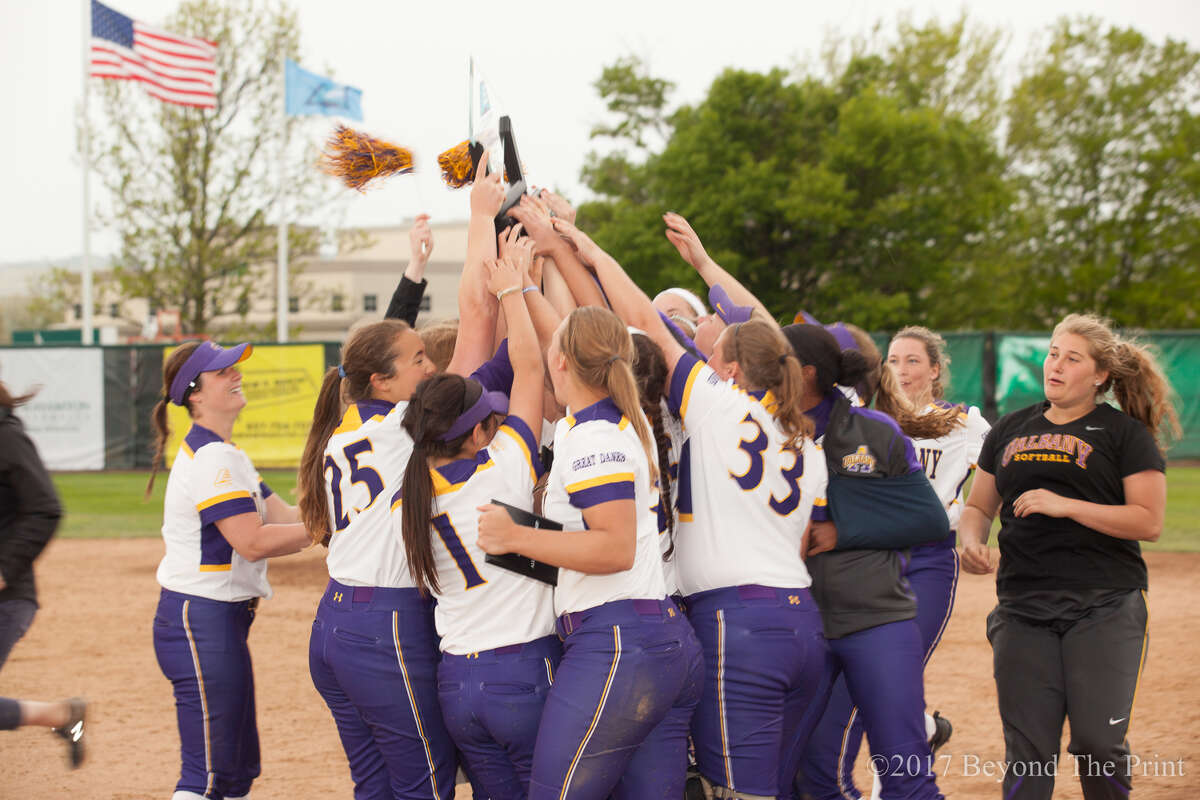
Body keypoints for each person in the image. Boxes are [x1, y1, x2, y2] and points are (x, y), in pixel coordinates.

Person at [554, 217, 833, 800]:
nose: (700, 350)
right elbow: (813, 537)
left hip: (737, 622)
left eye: (712, 348)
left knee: (734, 792)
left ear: (729, 371)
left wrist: (588, 250)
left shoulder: (717, 406)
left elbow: (646, 325)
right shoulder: (805, 440)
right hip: (803, 618)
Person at [476, 305, 704, 799]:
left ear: (560, 362)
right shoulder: (615, 421)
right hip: (649, 634)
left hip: (619, 642)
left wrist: (514, 537)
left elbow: (613, 548)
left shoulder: (595, 435)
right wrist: (519, 291)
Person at [959, 313, 1178, 800]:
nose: (1055, 365)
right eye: (1053, 353)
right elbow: (978, 506)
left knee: (1100, 744)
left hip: (1105, 605)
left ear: (1100, 375)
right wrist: (971, 540)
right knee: (1028, 753)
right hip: (1022, 607)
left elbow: (1148, 520)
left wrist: (1066, 506)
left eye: (1072, 358)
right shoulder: (1011, 429)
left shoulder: (1123, 435)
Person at [398, 255, 558, 799]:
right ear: (472, 437)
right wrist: (513, 290)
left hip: (457, 682)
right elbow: (531, 369)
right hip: (522, 671)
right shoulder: (503, 468)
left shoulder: (411, 495)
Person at [783, 323, 949, 800]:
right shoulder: (761, 429)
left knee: (907, 775)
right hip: (803, 625)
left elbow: (929, 521)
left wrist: (842, 529)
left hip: (876, 619)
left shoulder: (872, 431)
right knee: (808, 776)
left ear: (805, 373)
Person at [298, 319, 455, 800]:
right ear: (380, 382)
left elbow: (375, 353)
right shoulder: (401, 427)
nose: (430, 368)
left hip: (334, 624)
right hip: (383, 627)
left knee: (375, 784)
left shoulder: (345, 428)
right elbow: (475, 366)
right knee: (425, 780)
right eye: (418, 360)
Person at [148, 340, 311, 800]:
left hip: (218, 621)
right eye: (223, 371)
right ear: (195, 393)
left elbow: (284, 515)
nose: (236, 373)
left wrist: (344, 513)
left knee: (236, 771)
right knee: (206, 777)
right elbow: (254, 542)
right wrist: (324, 530)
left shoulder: (225, 452)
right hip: (199, 620)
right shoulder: (212, 458)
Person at [0, 376, 85, 767]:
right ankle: (59, 716)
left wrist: (4, 568)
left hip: (6, 597)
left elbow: (44, 508)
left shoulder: (7, 439)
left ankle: (61, 716)